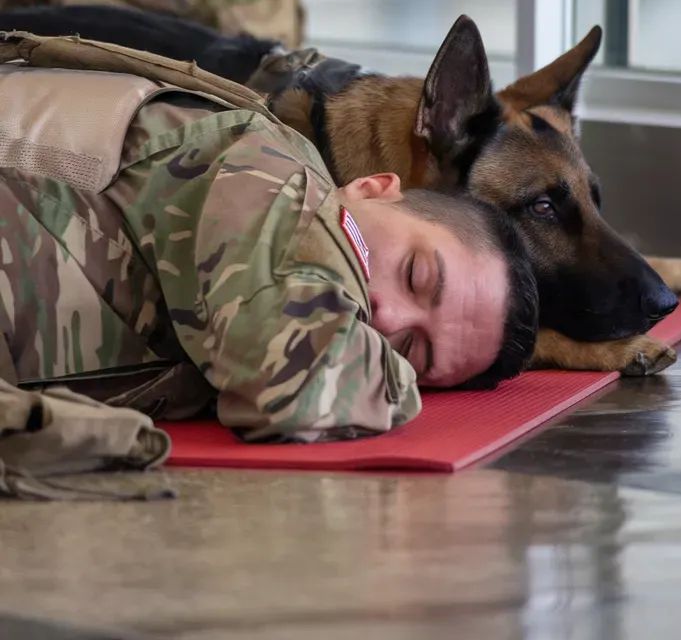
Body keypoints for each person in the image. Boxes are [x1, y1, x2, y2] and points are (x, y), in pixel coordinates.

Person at [0, 32, 538, 443]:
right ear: (375, 188)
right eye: (416, 274)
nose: (389, 317)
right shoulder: (270, 173)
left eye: (413, 352)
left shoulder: (256, 306)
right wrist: (400, 385)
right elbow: (294, 388)